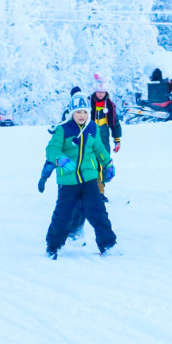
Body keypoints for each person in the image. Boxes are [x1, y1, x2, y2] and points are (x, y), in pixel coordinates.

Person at [41, 93, 117, 258]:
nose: (81, 115)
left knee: (98, 212)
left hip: (89, 179)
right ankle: (53, 246)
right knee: (63, 215)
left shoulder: (92, 128)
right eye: (78, 112)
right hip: (68, 180)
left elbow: (99, 149)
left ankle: (108, 245)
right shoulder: (63, 129)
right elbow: (51, 149)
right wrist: (59, 158)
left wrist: (108, 163)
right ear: (71, 113)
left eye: (84, 112)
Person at [89, 74, 122, 202]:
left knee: (103, 165)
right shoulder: (88, 103)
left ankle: (100, 192)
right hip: (89, 141)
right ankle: (89, 192)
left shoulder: (110, 106)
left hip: (103, 142)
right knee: (90, 165)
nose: (100, 94)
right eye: (98, 91)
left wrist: (117, 140)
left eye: (103, 92)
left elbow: (115, 123)